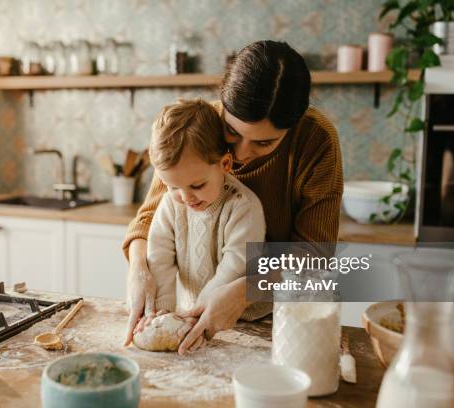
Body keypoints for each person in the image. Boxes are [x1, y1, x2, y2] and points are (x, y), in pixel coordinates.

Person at [123, 40, 343, 354]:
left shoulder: (316, 140)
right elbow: (150, 218)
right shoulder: (199, 126)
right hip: (194, 312)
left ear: (293, 126)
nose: (239, 155)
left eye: (264, 143)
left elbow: (314, 254)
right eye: (232, 131)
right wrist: (139, 270)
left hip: (279, 316)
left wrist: (243, 292)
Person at [131, 99, 269, 351]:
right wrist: (161, 314)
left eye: (197, 186)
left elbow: (233, 269)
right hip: (191, 315)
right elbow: (159, 258)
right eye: (173, 187)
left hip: (251, 324)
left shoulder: (243, 208)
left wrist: (197, 317)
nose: (186, 198)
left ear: (225, 165)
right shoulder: (171, 204)